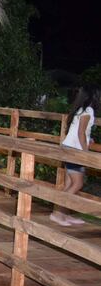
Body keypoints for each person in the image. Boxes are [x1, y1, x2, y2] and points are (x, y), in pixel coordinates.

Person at [50, 85, 99, 226]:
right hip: (74, 150)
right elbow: (80, 133)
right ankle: (57, 214)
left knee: (69, 184)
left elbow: (80, 131)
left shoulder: (80, 110)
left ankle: (63, 215)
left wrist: (88, 140)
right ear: (94, 97)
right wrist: (86, 154)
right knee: (78, 183)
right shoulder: (89, 110)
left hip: (69, 147)